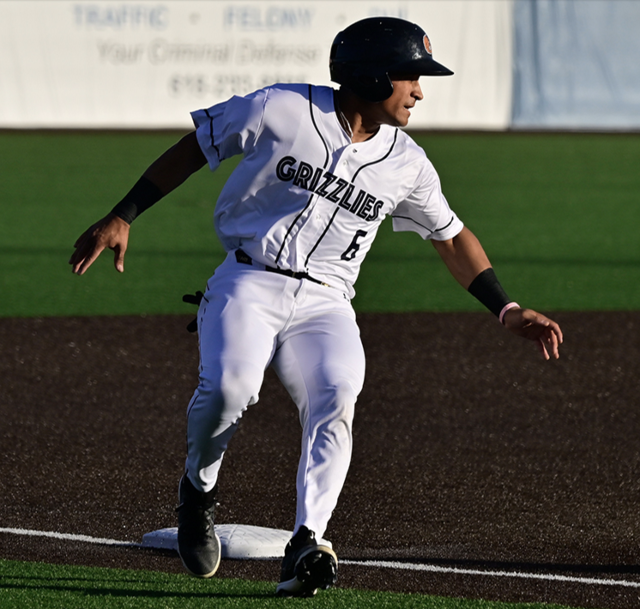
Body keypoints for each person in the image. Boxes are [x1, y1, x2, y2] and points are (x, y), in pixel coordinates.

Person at [69, 17, 563, 597]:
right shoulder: (280, 108)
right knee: (229, 389)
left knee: (336, 394)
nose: (419, 92)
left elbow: (451, 238)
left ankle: (308, 541)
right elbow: (197, 146)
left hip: (328, 302)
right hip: (249, 280)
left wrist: (507, 309)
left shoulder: (407, 163)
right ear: (371, 74)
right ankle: (197, 493)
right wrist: (124, 214)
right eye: (410, 76)